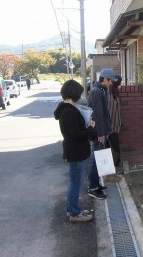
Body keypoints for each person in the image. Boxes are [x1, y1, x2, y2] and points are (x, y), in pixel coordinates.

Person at [54, 79, 96, 223]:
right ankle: (74, 214)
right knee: (75, 183)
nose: (81, 96)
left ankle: (73, 209)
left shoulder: (66, 109)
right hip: (75, 151)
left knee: (75, 182)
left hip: (74, 150)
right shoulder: (69, 112)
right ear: (74, 93)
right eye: (80, 93)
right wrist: (90, 127)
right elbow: (77, 135)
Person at [87, 68, 118, 199]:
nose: (112, 83)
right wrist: (100, 133)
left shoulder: (100, 90)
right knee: (96, 160)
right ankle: (93, 187)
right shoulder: (97, 92)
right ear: (105, 79)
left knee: (98, 159)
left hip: (102, 131)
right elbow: (98, 114)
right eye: (111, 81)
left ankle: (96, 184)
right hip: (99, 132)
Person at [107, 75, 123, 175]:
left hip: (113, 125)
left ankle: (115, 165)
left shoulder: (113, 92)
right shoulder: (108, 93)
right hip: (111, 125)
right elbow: (111, 110)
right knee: (114, 146)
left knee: (114, 146)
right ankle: (113, 167)